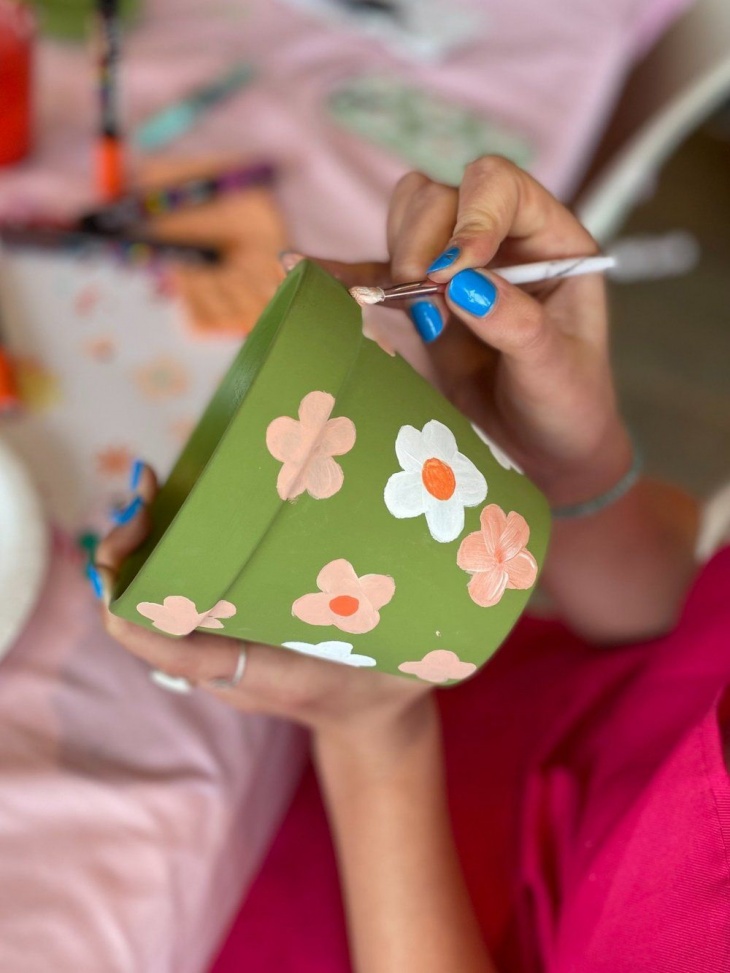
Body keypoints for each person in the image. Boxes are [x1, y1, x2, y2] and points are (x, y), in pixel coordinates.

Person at [93, 156, 729, 973]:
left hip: (353, 881)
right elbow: (682, 626)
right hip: (464, 675)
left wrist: (375, 737)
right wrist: (570, 470)